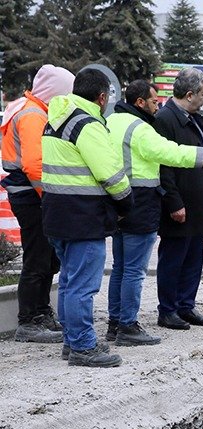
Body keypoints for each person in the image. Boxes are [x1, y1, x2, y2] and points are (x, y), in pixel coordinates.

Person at [107, 80, 203, 345]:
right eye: (153, 101)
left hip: (121, 202)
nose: (157, 106)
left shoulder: (111, 122)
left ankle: (117, 323)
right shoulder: (142, 127)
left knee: (122, 268)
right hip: (140, 204)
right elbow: (171, 154)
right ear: (140, 102)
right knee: (134, 270)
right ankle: (128, 325)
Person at [41, 68, 132, 367]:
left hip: (57, 213)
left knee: (69, 281)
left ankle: (72, 341)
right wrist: (126, 202)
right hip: (83, 216)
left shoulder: (56, 119)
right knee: (82, 286)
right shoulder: (87, 124)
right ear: (102, 97)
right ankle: (82, 346)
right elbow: (110, 174)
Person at [0, 64, 75, 344]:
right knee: (38, 258)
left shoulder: (32, 110)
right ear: (55, 93)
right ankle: (29, 320)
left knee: (46, 257)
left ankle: (41, 313)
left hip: (29, 194)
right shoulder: (33, 115)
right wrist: (52, 197)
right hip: (32, 196)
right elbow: (34, 165)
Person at [154, 68, 203, 330]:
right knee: (173, 259)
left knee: (194, 258)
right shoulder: (165, 119)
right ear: (189, 94)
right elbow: (163, 166)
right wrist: (173, 202)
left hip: (200, 199)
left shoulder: (195, 118)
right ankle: (168, 310)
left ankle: (186, 305)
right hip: (181, 202)